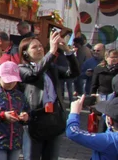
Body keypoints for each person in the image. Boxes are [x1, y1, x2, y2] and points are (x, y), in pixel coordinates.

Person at [18, 31, 79, 160]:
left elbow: (73, 73)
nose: (40, 49)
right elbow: (34, 74)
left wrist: (67, 51)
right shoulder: (21, 68)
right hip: (34, 119)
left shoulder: (51, 68)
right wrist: (51, 52)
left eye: (41, 46)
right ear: (25, 53)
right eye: (35, 47)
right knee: (31, 156)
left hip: (54, 119)